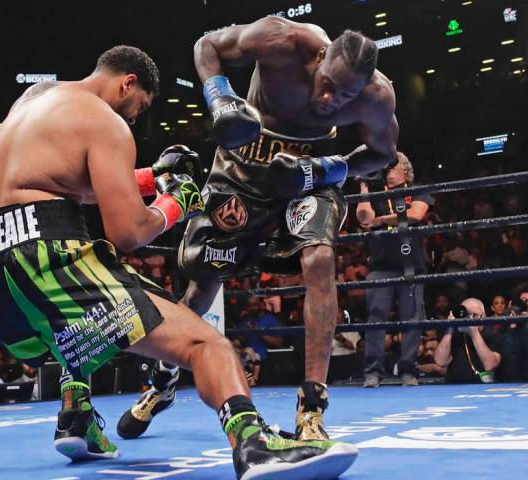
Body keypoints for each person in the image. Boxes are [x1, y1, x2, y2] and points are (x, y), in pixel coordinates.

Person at [0, 45, 357, 477]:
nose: (132, 120)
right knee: (207, 344)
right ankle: (254, 446)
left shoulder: (36, 97)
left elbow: (74, 181)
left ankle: (77, 416)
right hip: (40, 257)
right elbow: (127, 233)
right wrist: (175, 202)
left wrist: (153, 174)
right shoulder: (106, 122)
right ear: (128, 82)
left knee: (76, 323)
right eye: (138, 107)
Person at [121, 15, 398, 444]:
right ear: (321, 56)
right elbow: (206, 45)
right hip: (240, 172)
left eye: (344, 95)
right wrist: (221, 98)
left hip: (307, 177)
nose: (329, 98)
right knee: (201, 288)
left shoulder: (376, 97)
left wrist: (327, 167)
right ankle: (163, 380)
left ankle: (312, 409)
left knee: (320, 258)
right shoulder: (281, 39)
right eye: (327, 83)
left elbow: (383, 154)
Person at [355, 152, 433, 387]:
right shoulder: (378, 194)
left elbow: (416, 214)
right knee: (376, 318)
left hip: (411, 265)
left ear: (405, 170)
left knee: (412, 319)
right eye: (385, 169)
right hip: (380, 265)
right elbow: (364, 217)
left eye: (392, 168)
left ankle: (408, 369)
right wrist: (364, 185)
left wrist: (381, 221)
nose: (387, 172)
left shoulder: (418, 190)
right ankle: (373, 371)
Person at [433, 299, 503, 384]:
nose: (470, 319)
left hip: (483, 387)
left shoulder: (492, 332)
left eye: (474, 315)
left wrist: (474, 334)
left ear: (483, 316)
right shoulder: (454, 332)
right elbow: (440, 362)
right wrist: (450, 328)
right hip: (454, 386)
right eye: (467, 314)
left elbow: (490, 365)